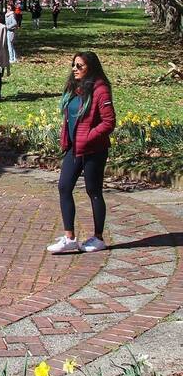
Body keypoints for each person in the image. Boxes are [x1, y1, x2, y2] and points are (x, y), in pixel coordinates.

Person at [47, 52, 117, 254]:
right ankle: (69, 238)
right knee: (64, 186)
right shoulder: (74, 88)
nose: (75, 69)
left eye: (80, 66)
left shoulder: (100, 89)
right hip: (73, 147)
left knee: (93, 191)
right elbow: (70, 117)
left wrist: (88, 137)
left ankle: (98, 237)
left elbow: (109, 122)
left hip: (94, 150)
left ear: (91, 68)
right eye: (74, 65)